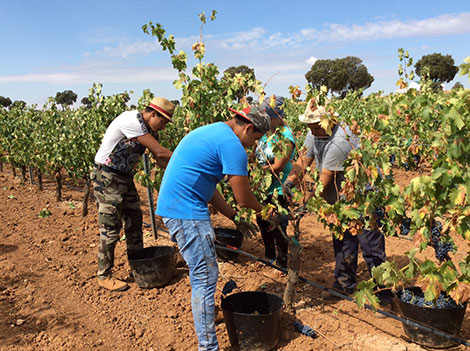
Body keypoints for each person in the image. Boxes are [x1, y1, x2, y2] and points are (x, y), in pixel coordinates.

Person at [156, 105, 277, 351]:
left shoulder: (214, 132)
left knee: (203, 274)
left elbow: (207, 186)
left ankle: (208, 318)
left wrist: (233, 216)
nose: (253, 145)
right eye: (255, 139)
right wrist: (264, 211)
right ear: (249, 128)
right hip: (185, 212)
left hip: (178, 207)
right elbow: (243, 197)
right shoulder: (233, 145)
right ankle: (208, 347)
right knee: (204, 277)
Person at [285, 99, 390, 301]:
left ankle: (383, 295)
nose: (312, 130)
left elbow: (325, 179)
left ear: (328, 122)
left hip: (362, 197)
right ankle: (343, 285)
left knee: (370, 245)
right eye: (309, 126)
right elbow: (303, 160)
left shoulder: (341, 139)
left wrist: (306, 205)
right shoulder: (314, 130)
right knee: (342, 240)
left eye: (315, 126)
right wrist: (290, 181)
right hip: (339, 196)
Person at [92, 97, 175, 292]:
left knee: (135, 221)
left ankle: (138, 266)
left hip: (124, 177)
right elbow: (160, 151)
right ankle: (104, 276)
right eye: (162, 121)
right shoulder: (132, 120)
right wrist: (189, 159)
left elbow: (160, 159)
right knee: (111, 227)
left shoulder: (150, 130)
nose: (162, 127)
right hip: (107, 176)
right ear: (153, 114)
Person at [255, 96, 295, 269]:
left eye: (269, 117)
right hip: (262, 187)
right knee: (263, 221)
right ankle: (269, 255)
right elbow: (256, 154)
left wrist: (256, 173)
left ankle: (282, 261)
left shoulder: (286, 136)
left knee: (278, 224)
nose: (267, 120)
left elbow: (278, 166)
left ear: (279, 117)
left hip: (278, 187)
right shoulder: (265, 134)